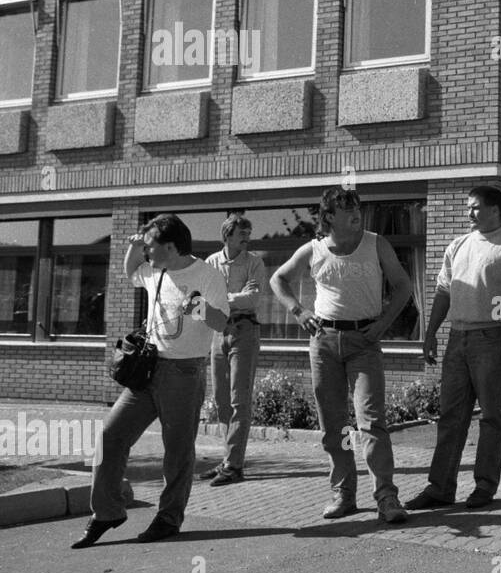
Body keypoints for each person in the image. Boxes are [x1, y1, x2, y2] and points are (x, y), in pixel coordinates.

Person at [73, 215, 229, 548]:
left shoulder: (208, 275)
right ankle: (107, 512)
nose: (147, 251)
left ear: (170, 246)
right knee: (110, 435)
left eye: (151, 246)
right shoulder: (155, 270)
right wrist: (133, 247)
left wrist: (199, 307)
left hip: (184, 373)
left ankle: (169, 518)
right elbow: (131, 274)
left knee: (177, 452)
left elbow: (223, 323)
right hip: (148, 370)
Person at [270, 187, 413, 524]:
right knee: (335, 427)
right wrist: (297, 310)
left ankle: (387, 497)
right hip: (324, 341)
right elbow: (278, 279)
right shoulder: (313, 249)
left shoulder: (376, 243)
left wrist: (382, 326)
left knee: (371, 422)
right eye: (346, 208)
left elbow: (404, 287)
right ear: (329, 216)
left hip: (365, 341)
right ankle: (344, 494)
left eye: (357, 207)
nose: (356, 213)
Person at [406, 187, 501, 511]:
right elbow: (444, 292)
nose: (469, 214)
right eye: (468, 208)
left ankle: (484, 487)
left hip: (492, 339)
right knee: (450, 417)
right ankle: (440, 488)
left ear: (495, 210)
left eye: (476, 208)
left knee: (491, 417)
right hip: (457, 339)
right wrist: (431, 332)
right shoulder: (458, 246)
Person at [200, 214, 268, 487]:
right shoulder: (210, 263)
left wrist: (222, 300)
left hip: (245, 331)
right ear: (227, 235)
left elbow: (253, 298)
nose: (247, 239)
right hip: (218, 332)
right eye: (242, 234)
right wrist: (231, 299)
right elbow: (201, 299)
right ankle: (229, 459)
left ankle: (234, 466)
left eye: (249, 234)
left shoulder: (255, 262)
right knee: (221, 401)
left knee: (240, 399)